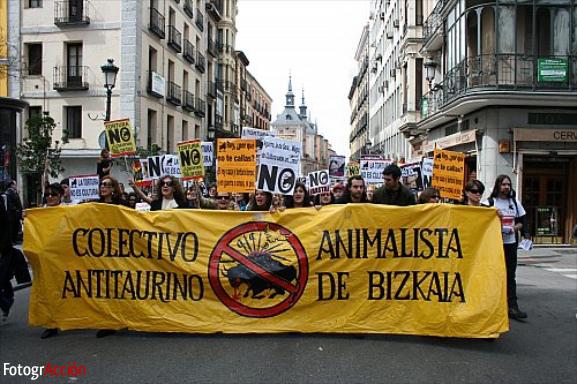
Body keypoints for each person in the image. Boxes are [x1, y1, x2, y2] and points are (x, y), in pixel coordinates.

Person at [484, 175, 528, 320]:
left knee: (510, 275)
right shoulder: (489, 203)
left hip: (510, 244)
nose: (507, 187)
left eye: (508, 184)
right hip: (493, 245)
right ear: (498, 186)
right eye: (503, 184)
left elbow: (522, 221)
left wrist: (515, 228)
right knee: (493, 274)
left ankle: (513, 308)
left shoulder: (514, 203)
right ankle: (492, 306)